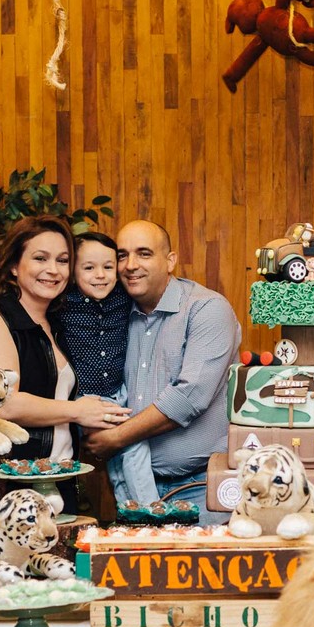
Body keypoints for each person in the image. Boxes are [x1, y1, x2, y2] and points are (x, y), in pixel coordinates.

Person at [0, 215, 130, 509]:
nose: (53, 270)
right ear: (14, 266)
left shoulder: (59, 323)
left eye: (62, 260)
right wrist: (78, 411)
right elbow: (3, 404)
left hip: (60, 479)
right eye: (40, 258)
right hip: (11, 486)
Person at [83, 220, 241, 524]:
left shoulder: (207, 309)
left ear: (170, 261)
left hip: (200, 488)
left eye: (144, 253)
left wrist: (115, 438)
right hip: (132, 484)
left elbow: (189, 397)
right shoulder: (114, 315)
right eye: (122, 255)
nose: (130, 265)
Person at [54, 232, 160, 506]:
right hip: (84, 398)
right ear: (73, 272)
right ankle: (151, 512)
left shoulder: (123, 297)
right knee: (134, 444)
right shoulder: (63, 304)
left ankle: (130, 513)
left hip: (118, 392)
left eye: (108, 267)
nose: (100, 275)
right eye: (89, 268)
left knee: (119, 451)